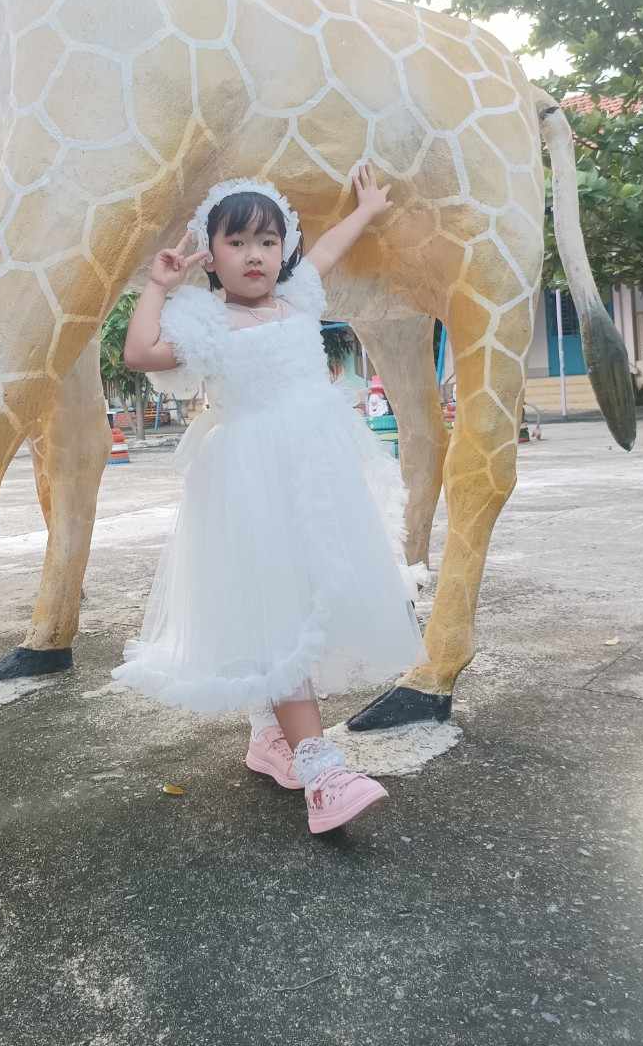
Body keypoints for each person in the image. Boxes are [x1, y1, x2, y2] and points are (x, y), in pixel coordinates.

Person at [114, 166, 428, 834]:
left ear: (283, 248)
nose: (253, 254)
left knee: (307, 597)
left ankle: (270, 737)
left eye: (267, 240)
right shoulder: (207, 320)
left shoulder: (298, 297)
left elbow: (328, 249)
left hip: (318, 477)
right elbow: (139, 352)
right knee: (278, 610)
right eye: (236, 242)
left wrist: (366, 209)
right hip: (251, 481)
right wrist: (158, 285)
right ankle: (321, 770)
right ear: (210, 254)